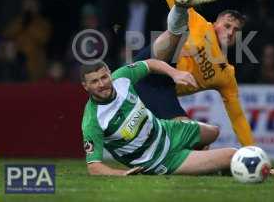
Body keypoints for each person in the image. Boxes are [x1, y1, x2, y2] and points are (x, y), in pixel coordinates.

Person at [139, 0, 254, 147]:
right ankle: (180, 11)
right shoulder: (200, 23)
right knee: (174, 34)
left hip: (161, 91)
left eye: (236, 31)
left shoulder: (226, 76)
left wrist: (258, 156)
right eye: (227, 26)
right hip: (150, 66)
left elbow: (238, 118)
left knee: (200, 143)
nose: (230, 33)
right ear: (216, 23)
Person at [81, 59, 237, 176]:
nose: (102, 84)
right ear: (85, 86)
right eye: (94, 81)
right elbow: (94, 166)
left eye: (104, 77)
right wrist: (121, 174)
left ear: (110, 73)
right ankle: (200, 166)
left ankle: (204, 168)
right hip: (158, 159)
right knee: (232, 155)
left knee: (214, 132)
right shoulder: (92, 121)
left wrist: (175, 73)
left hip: (166, 130)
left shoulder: (122, 78)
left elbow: (150, 64)